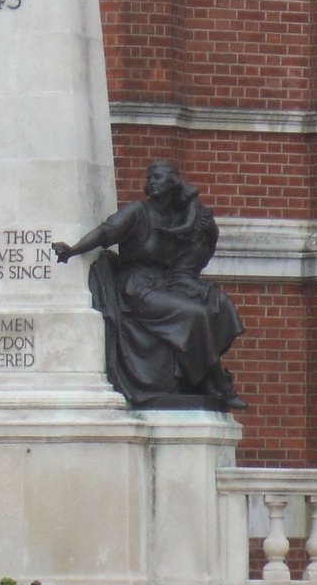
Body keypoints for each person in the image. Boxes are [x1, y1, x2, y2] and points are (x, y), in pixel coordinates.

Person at [52, 161, 246, 410]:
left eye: (158, 177)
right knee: (194, 314)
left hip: (168, 282)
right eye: (150, 177)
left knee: (219, 304)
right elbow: (105, 233)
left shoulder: (180, 214)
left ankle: (196, 378)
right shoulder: (137, 212)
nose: (151, 182)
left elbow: (202, 243)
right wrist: (72, 250)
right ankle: (215, 382)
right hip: (137, 287)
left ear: (172, 182)